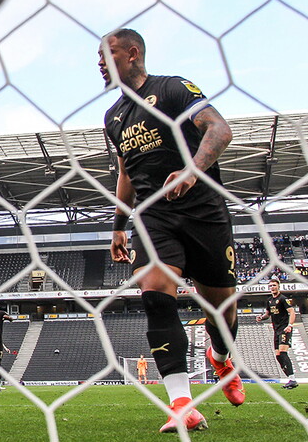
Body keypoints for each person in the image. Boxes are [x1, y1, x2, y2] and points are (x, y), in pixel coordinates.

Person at [100, 28, 242, 433]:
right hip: (153, 217)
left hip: (203, 213)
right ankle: (181, 404)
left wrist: (194, 169)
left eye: (106, 53)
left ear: (132, 53)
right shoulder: (113, 117)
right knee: (156, 299)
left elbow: (220, 130)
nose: (99, 63)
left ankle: (219, 357)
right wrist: (118, 226)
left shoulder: (175, 89)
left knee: (221, 311)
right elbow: (127, 172)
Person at [256, 278, 298, 389]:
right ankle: (290, 378)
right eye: (270, 286)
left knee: (283, 353)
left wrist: (290, 325)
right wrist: (261, 317)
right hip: (276, 330)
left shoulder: (283, 299)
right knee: (278, 356)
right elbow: (267, 314)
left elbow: (292, 312)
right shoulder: (269, 300)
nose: (272, 287)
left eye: (274, 285)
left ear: (278, 286)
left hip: (284, 329)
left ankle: (292, 379)